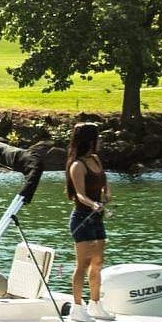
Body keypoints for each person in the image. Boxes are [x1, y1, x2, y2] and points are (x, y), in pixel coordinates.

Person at [64, 119, 109, 305]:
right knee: (83, 265)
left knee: (97, 264)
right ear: (90, 140)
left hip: (97, 219)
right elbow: (80, 195)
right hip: (82, 219)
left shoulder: (96, 160)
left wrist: (107, 193)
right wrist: (93, 204)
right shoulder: (77, 166)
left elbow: (104, 181)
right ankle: (77, 306)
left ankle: (95, 304)